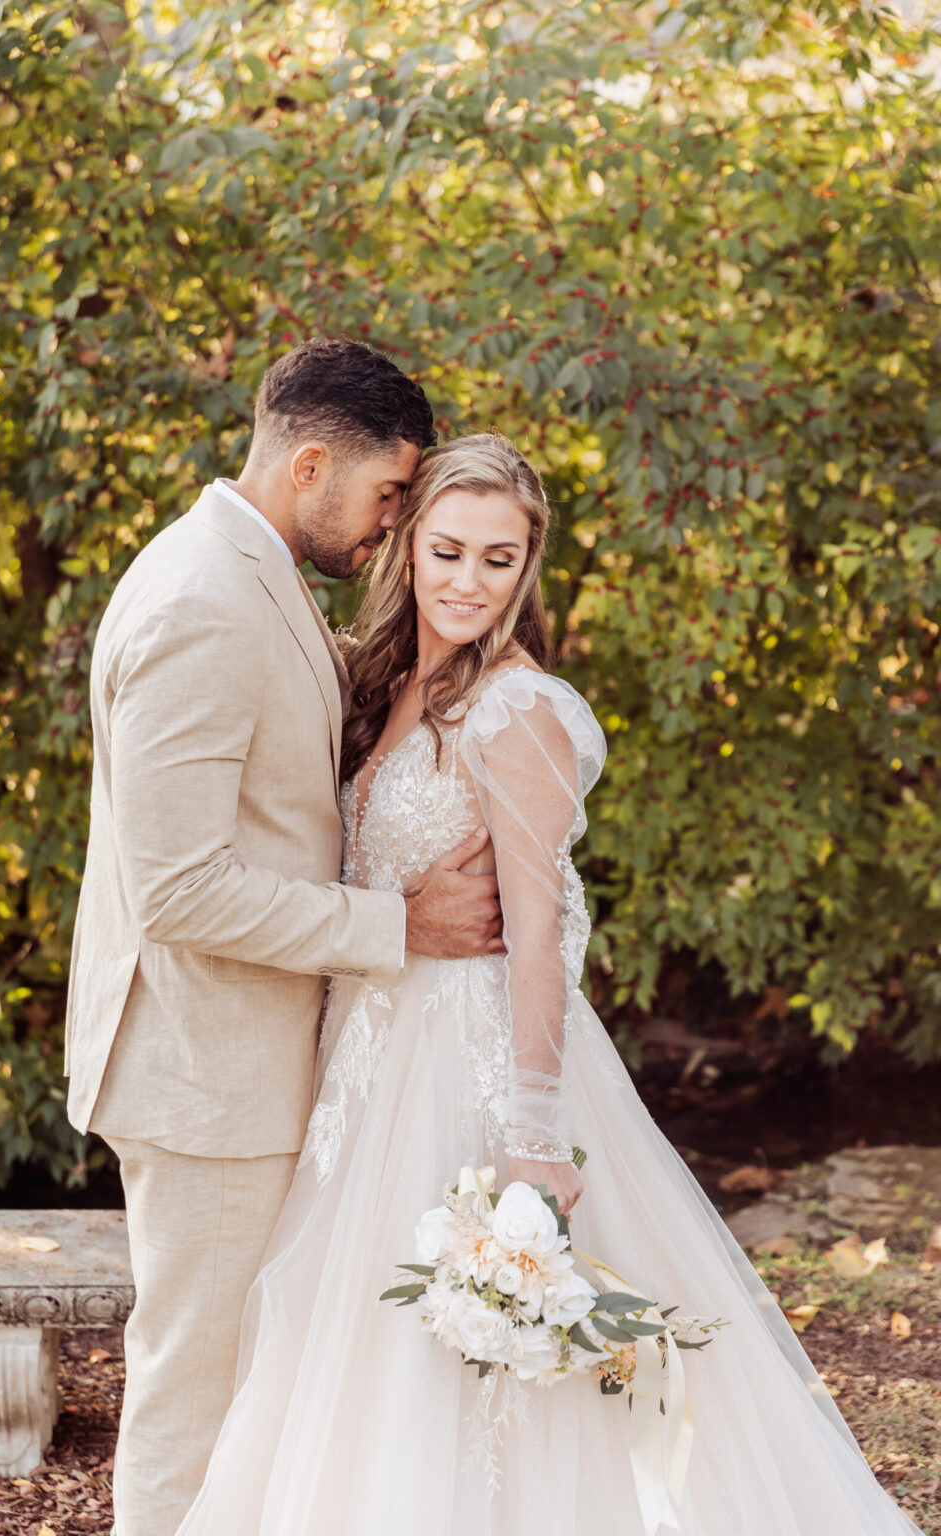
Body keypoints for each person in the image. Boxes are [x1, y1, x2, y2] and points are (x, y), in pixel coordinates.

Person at [174, 431, 923, 1536]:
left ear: (527, 570)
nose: (467, 581)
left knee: (497, 1381)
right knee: (356, 1354)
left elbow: (539, 934)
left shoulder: (518, 711)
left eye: (497, 559)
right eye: (446, 551)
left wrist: (532, 1138)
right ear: (407, 548)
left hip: (468, 1067)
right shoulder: (376, 681)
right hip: (365, 1065)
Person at [64, 339, 504, 1536]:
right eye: (384, 496)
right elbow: (180, 888)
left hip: (247, 1062)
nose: (390, 526)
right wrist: (395, 925)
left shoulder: (250, 576)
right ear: (309, 463)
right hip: (203, 1077)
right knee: (193, 1401)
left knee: (251, 1395)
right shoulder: (200, 603)